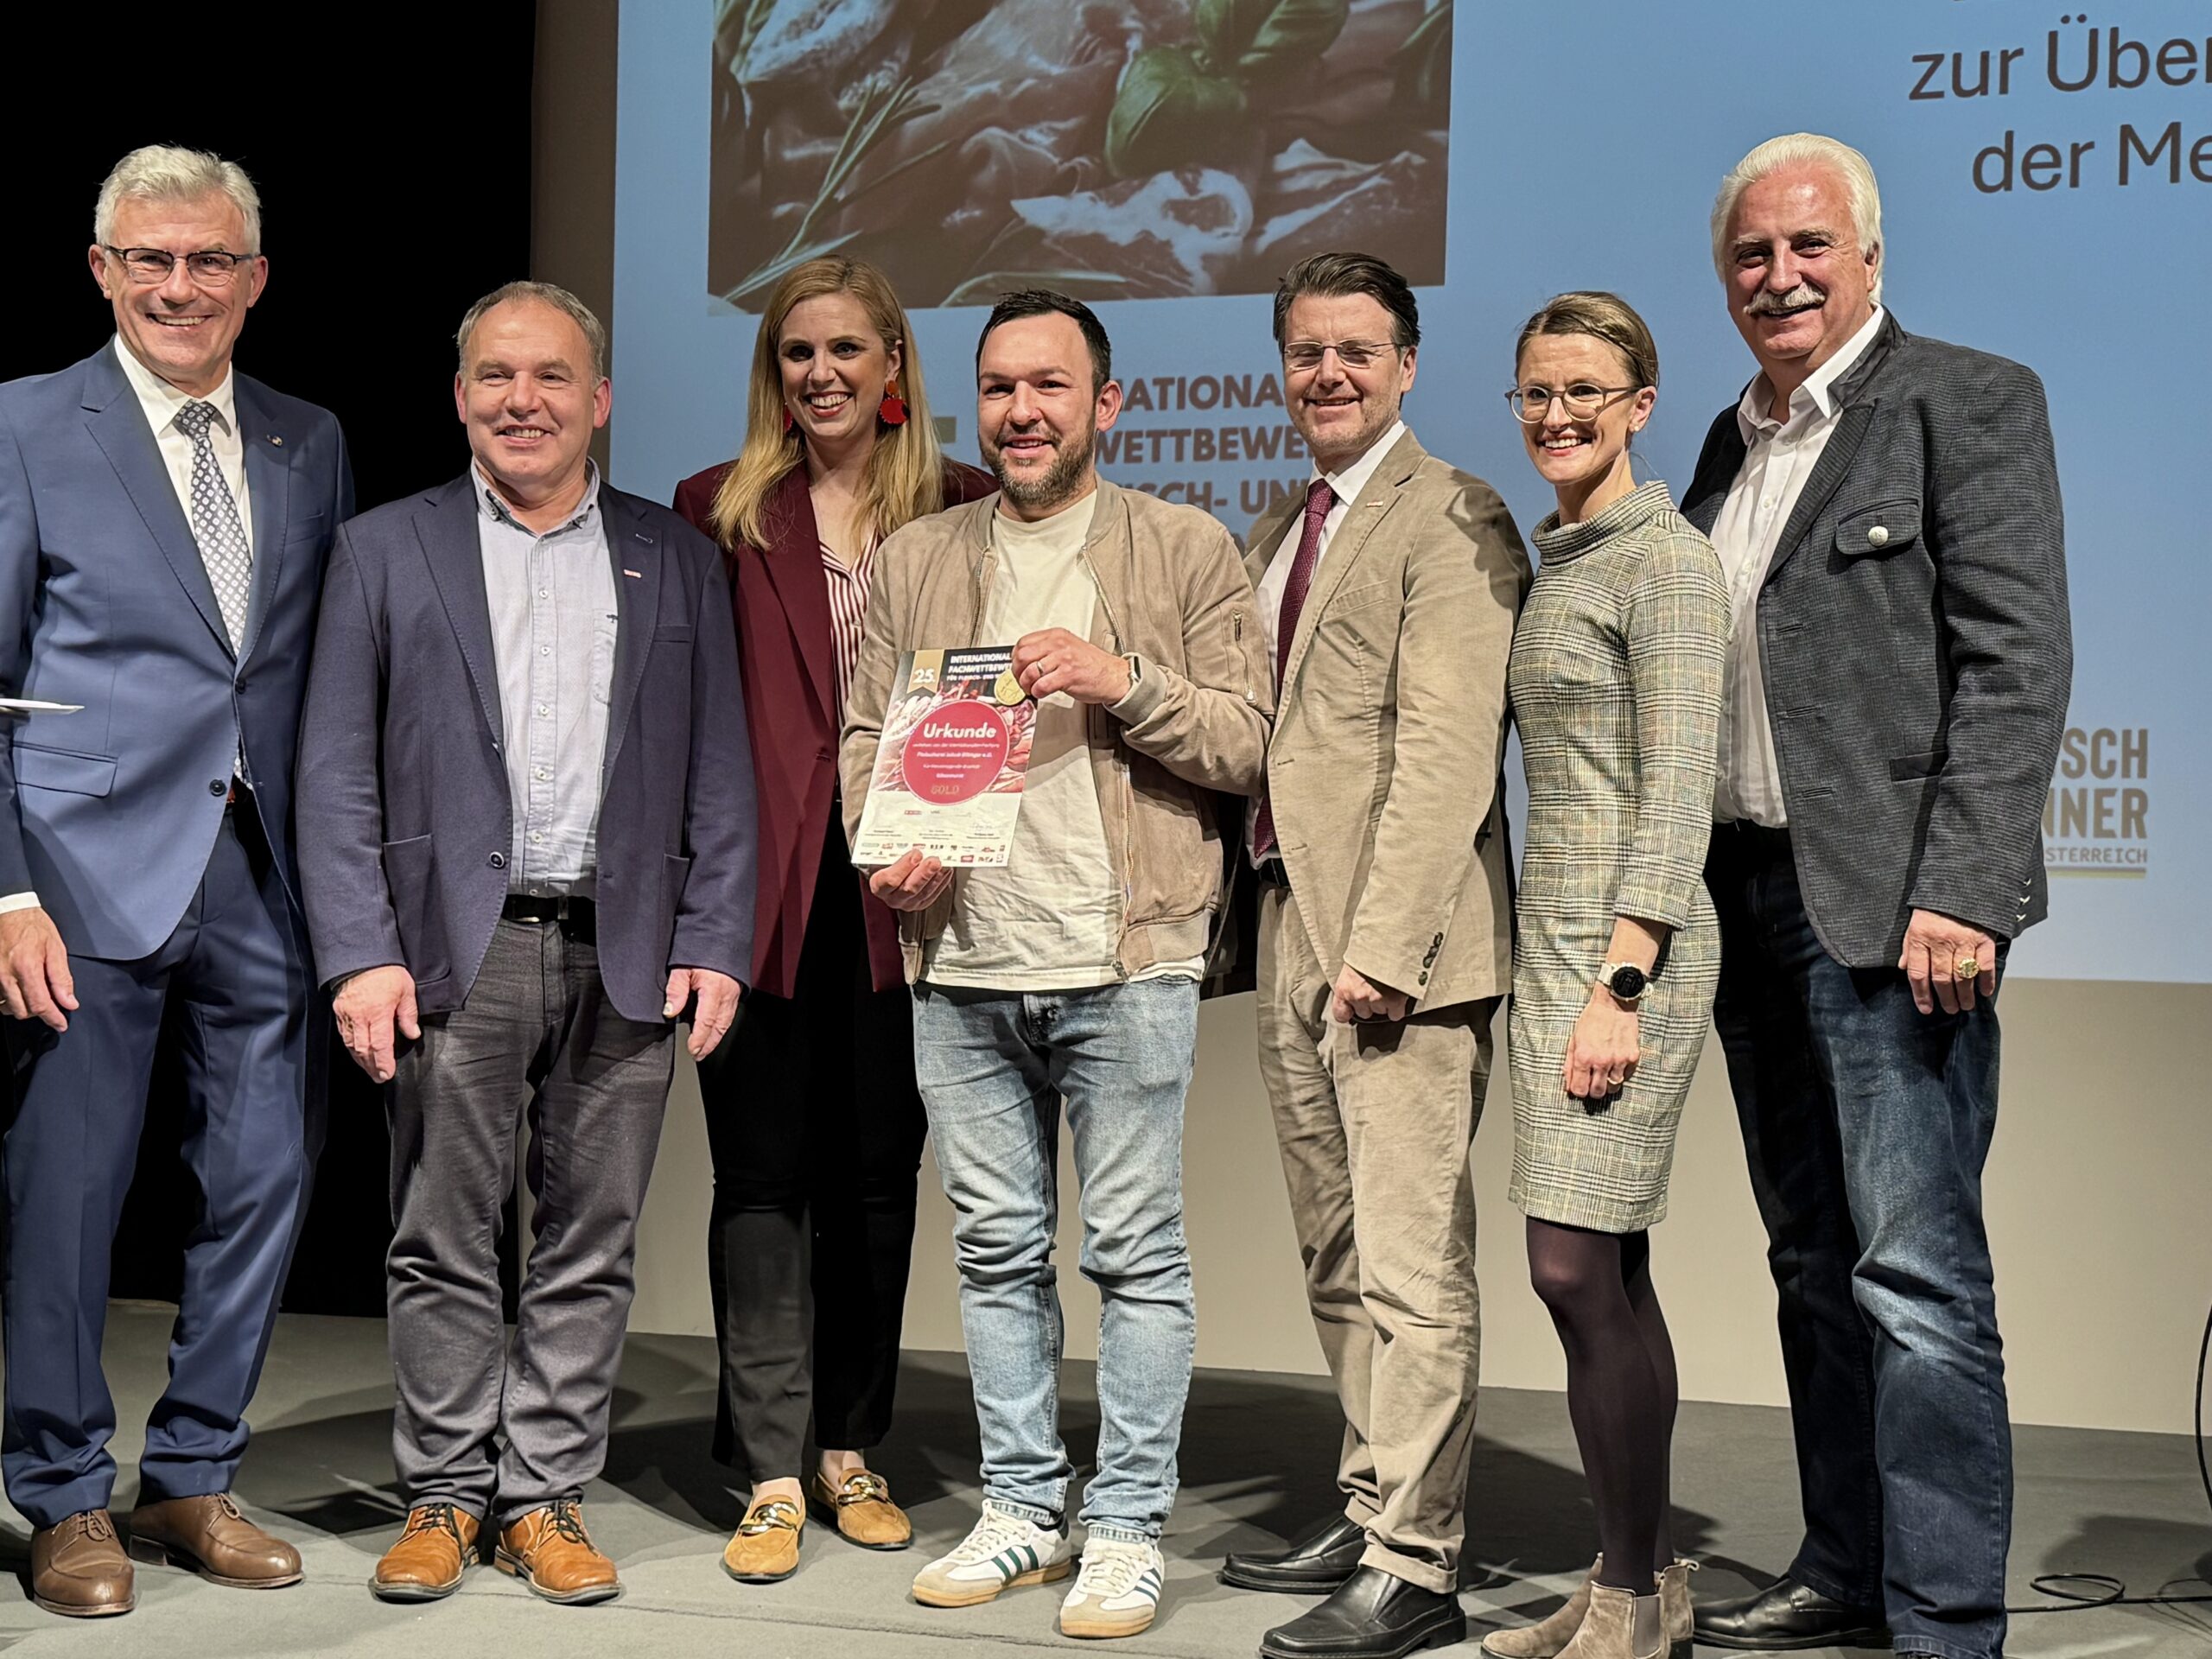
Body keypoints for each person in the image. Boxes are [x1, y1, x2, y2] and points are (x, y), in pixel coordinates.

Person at [297, 282, 756, 1607]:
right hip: (456, 948)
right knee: (441, 1235)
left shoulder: (675, 556)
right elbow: (333, 770)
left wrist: (716, 938)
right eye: (496, 376)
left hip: (628, 945)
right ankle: (445, 1494)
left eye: (552, 377)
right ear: (460, 398)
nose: (523, 400)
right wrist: (359, 952)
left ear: (598, 400)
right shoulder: (385, 549)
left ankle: (543, 1495)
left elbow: (720, 768)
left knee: (591, 1238)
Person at [1682, 135, 2070, 1659]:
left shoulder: (1968, 401)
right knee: (1809, 1264)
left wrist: (1965, 888)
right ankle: (1846, 1572)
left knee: (1916, 1275)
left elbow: (2016, 663)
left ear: (1870, 256)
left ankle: (1945, 1617)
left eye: (1809, 247)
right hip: (1745, 901)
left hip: (1900, 911)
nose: (1780, 276)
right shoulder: (1724, 446)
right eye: (1752, 254)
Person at [840, 290, 1269, 1642]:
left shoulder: (1184, 546)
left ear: (1107, 404)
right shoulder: (918, 556)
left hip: (1124, 957)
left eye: (1050, 387)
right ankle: (1024, 1508)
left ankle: (1126, 1528)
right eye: (1000, 388)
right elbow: (866, 739)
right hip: (962, 960)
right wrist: (886, 851)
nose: (1022, 413)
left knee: (1134, 1255)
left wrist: (1117, 677)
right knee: (994, 1251)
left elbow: (1247, 741)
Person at [0, 145, 351, 1619]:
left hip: (267, 874)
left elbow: (313, 667)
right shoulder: (25, 423)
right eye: (151, 258)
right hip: (78, 877)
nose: (179, 286)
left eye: (209, 260)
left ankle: (196, 1472)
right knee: (68, 1198)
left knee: (264, 1182)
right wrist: (6, 893)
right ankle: (62, 1491)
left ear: (254, 279)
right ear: (103, 271)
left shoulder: (307, 436)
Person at [1217, 251, 1529, 1659]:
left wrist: (1388, 949)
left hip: (1400, 951)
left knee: (1411, 1267)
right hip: (1293, 925)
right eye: (1307, 352)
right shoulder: (1282, 526)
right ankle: (1369, 1501)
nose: (1328, 375)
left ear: (1406, 365)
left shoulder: (1454, 513)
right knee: (1336, 1252)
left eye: (1357, 351)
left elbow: (1451, 753)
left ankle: (1419, 1560)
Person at [671, 256, 994, 1583]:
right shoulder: (718, 509)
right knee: (760, 1182)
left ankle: (851, 1448)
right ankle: (767, 1467)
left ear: (893, 364)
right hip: (760, 896)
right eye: (798, 353)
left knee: (874, 1184)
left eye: (847, 349)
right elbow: (692, 716)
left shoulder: (964, 505)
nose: (822, 374)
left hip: (908, 901)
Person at [1482, 294, 1727, 1659]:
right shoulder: (1566, 558)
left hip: (1631, 955)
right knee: (1606, 1276)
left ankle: (1631, 1597)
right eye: (1537, 391)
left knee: (1572, 1268)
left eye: (1585, 390)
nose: (1557, 413)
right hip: (1555, 949)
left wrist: (1619, 986)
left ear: (1641, 404)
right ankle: (1639, 1581)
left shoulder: (1667, 565)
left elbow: (1677, 796)